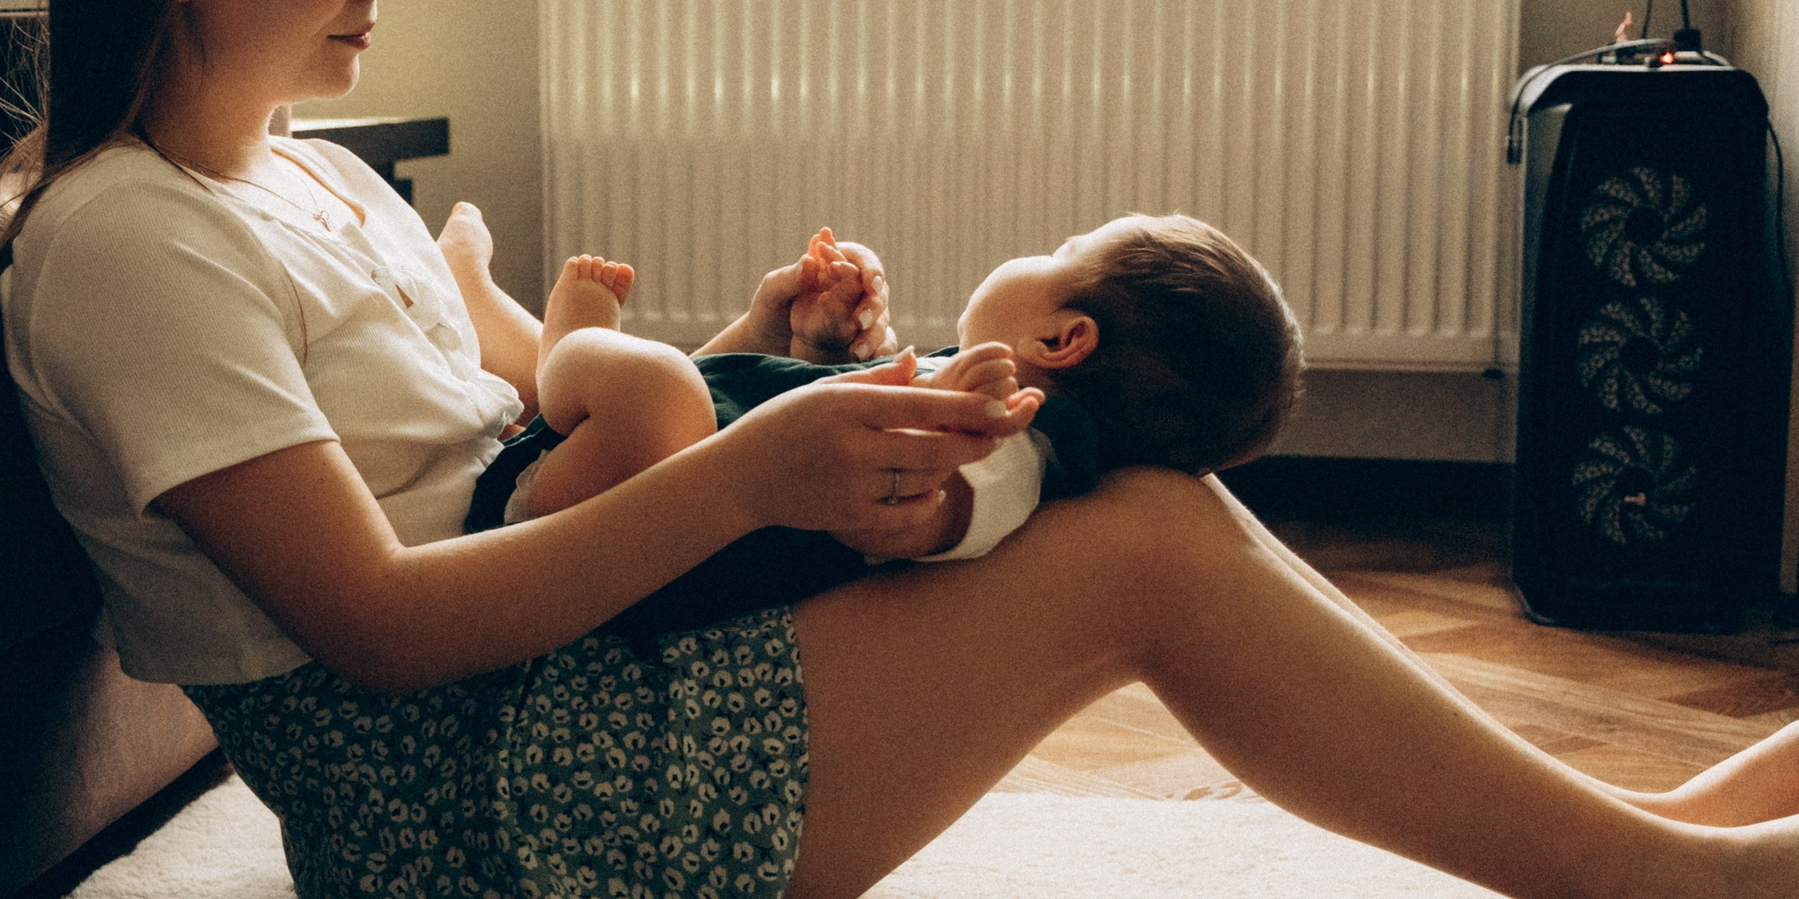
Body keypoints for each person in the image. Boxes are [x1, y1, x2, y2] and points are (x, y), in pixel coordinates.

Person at [0, 0, 1799, 899]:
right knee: (1141, 542)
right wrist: (749, 471)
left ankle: (1612, 844)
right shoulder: (123, 243)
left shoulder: (317, 179)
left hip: (571, 686)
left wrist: (749, 365)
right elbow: (385, 619)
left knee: (1122, 481)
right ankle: (1675, 897)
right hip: (493, 817)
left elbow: (506, 431)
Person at [461, 213, 1302, 639]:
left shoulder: (1011, 447)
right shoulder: (970, 402)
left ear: (1061, 338)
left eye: (1061, 250)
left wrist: (935, 478)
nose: (1036, 252)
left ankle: (560, 347)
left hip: (580, 547)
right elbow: (733, 436)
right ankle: (490, 317)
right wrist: (799, 345)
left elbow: (937, 517)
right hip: (634, 511)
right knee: (673, 397)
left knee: (655, 388)